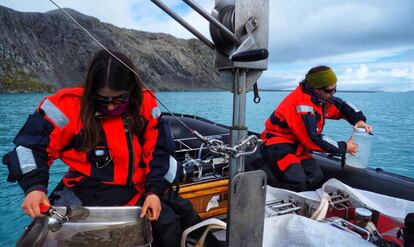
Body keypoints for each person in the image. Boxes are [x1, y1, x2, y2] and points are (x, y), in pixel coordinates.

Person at [2, 49, 208, 246]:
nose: (110, 107)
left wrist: (154, 191)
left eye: (118, 100)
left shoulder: (145, 104)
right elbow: (30, 149)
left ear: (131, 92)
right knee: (166, 224)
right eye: (102, 100)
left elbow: (159, 150)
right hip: (93, 189)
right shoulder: (66, 108)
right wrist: (34, 187)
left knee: (188, 217)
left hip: (144, 184)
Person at [261, 65, 373, 192]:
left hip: (299, 147)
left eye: (334, 90)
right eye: (328, 91)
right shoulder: (301, 105)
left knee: (315, 176)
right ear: (315, 88)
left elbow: (341, 106)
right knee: (296, 180)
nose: (332, 94)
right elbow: (313, 138)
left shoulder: (320, 99)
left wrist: (359, 120)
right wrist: (344, 147)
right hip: (278, 146)